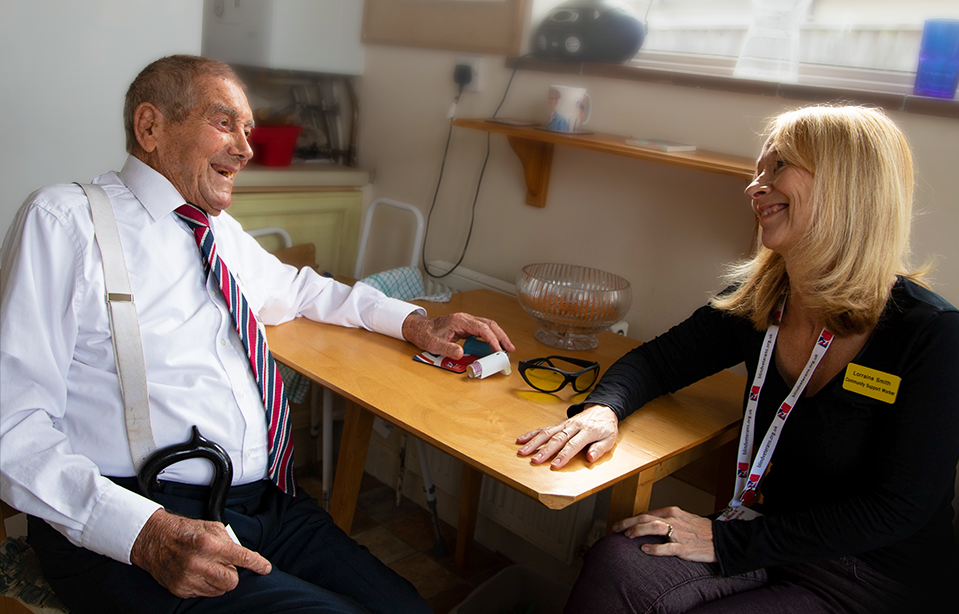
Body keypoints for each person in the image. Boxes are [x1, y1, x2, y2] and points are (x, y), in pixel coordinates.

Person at [0, 55, 515, 614]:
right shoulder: (63, 221)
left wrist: (414, 320)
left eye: (249, 130)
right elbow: (13, 425)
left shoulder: (216, 230)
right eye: (225, 124)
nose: (246, 148)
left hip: (263, 506)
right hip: (140, 519)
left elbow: (300, 290)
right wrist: (143, 533)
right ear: (150, 127)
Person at [515, 105, 959, 612]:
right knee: (619, 563)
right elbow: (658, 361)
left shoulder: (932, 335)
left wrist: (727, 544)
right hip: (767, 535)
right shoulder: (761, 299)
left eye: (779, 167)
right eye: (758, 170)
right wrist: (604, 410)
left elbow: (897, 510)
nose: (755, 187)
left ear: (848, 186)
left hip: (871, 575)